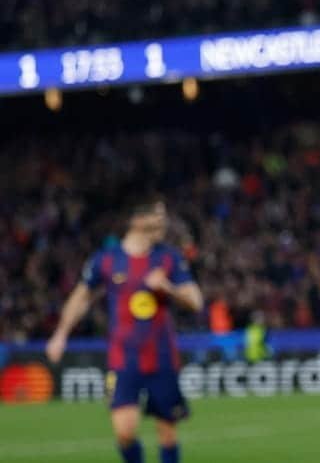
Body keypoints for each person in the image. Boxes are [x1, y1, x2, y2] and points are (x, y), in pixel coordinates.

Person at [46, 197, 203, 463]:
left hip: (162, 356)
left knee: (167, 434)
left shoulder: (169, 257)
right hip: (122, 358)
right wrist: (61, 334)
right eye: (158, 216)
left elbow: (196, 302)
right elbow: (81, 297)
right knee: (125, 432)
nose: (164, 222)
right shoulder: (106, 259)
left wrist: (168, 288)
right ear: (138, 220)